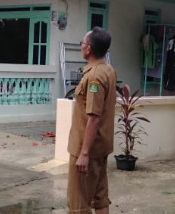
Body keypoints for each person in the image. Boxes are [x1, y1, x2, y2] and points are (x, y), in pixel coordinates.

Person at [67, 26, 117, 214]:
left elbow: (94, 118)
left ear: (88, 49)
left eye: (82, 43)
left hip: (86, 148)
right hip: (101, 146)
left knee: (79, 203)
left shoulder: (95, 77)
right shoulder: (108, 70)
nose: (81, 47)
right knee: (100, 197)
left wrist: (84, 154)